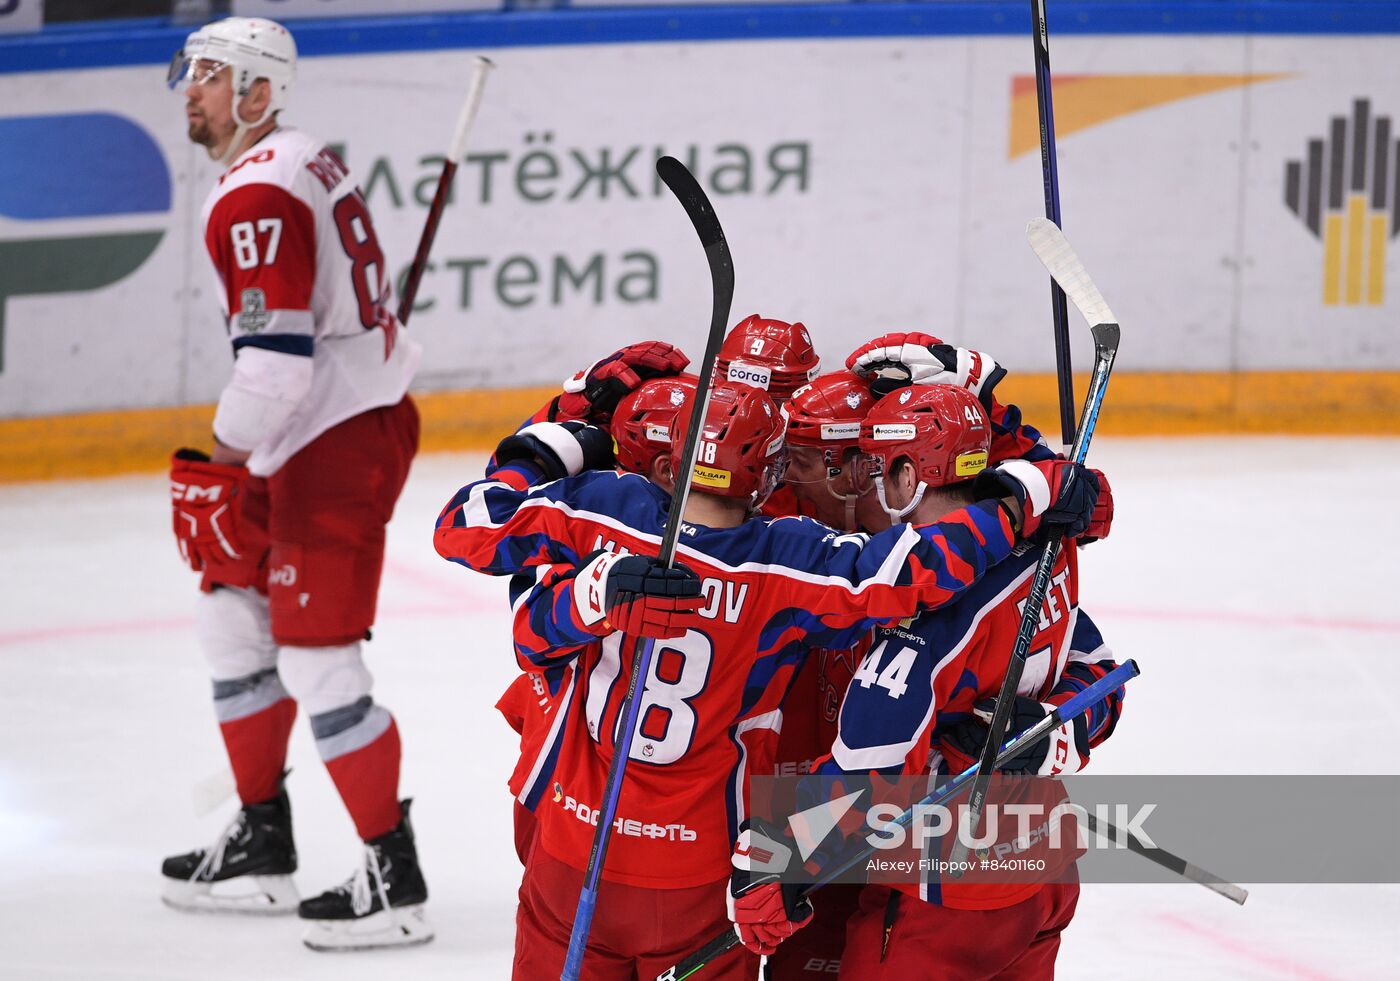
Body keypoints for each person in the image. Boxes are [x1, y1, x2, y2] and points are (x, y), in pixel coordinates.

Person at [434, 379, 1100, 979]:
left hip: (576, 838)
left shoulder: (604, 508)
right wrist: (1024, 496)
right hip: (703, 863)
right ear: (766, 477)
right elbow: (910, 573)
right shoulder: (790, 562)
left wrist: (549, 442)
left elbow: (472, 533)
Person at [160, 16, 429, 951]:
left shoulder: (256, 197)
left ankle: (395, 882)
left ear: (260, 94)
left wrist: (220, 457)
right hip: (319, 428)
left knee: (317, 656)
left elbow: (277, 368)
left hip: (332, 440)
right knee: (232, 615)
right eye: (188, 71)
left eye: (209, 75)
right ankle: (262, 846)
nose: (188, 89)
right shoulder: (300, 157)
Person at [727, 382, 1124, 980]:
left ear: (909, 479)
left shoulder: (926, 618)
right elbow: (1102, 676)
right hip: (1043, 875)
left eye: (878, 468)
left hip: (941, 900)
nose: (867, 483)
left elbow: (871, 781)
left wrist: (773, 855)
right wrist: (1050, 736)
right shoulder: (1045, 557)